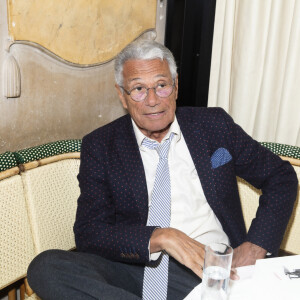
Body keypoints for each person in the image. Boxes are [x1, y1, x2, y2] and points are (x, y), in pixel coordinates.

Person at [27, 39, 298, 300]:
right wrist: (162, 236)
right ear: (122, 95)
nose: (153, 100)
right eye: (138, 89)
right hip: (134, 267)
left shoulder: (213, 126)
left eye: (161, 85)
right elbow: (89, 232)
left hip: (204, 268)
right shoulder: (101, 145)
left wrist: (255, 245)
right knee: (46, 267)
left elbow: (281, 176)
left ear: (176, 87)